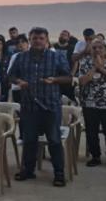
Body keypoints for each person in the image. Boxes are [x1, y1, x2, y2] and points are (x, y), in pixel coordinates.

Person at [8, 27, 72, 187]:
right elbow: (9, 75)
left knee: (54, 140)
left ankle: (59, 173)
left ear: (47, 40)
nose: (37, 41)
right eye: (34, 38)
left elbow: (68, 77)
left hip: (50, 106)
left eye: (41, 38)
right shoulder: (21, 57)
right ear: (30, 40)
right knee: (29, 140)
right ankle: (28, 170)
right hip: (29, 106)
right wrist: (18, 82)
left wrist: (55, 80)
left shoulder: (56, 57)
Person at [76, 39, 106, 168]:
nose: (97, 50)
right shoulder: (85, 64)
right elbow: (82, 81)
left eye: (100, 48)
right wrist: (94, 67)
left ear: (105, 50)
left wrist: (101, 69)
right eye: (94, 48)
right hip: (90, 104)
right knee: (91, 132)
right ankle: (95, 156)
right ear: (90, 50)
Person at [7, 34, 30, 103]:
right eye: (18, 43)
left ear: (27, 43)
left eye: (23, 42)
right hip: (17, 88)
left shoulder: (32, 55)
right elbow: (9, 73)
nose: (21, 44)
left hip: (29, 89)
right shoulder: (15, 56)